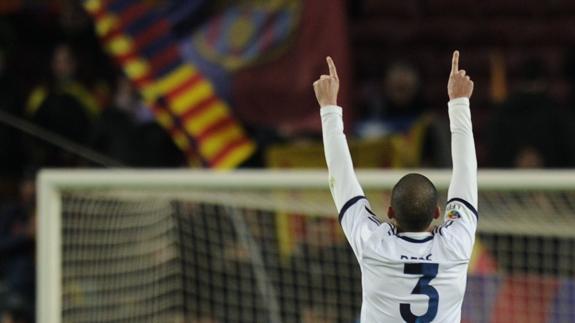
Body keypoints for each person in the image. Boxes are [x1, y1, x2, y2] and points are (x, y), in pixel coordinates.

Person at [313, 51, 477, 322]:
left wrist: (329, 106)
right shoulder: (456, 246)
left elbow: (341, 177)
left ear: (390, 212)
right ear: (437, 212)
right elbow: (466, 172)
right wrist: (459, 103)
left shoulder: (373, 244)